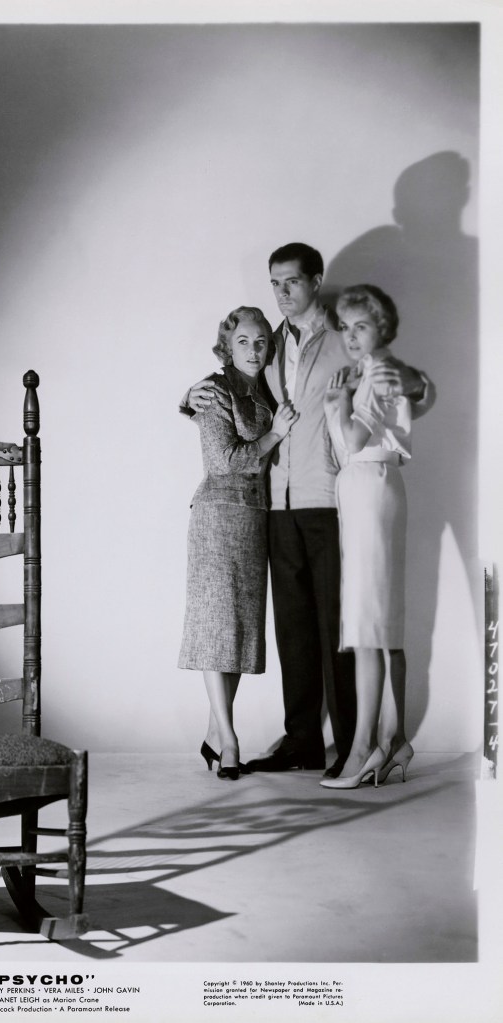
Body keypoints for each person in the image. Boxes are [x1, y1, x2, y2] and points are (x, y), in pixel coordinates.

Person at [181, 243, 433, 777]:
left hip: (330, 497)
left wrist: (416, 386)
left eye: (292, 281)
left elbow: (405, 382)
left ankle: (351, 743)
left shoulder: (345, 337)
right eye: (274, 283)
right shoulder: (269, 344)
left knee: (338, 623)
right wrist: (190, 396)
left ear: (316, 281)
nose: (282, 293)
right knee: (292, 627)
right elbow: (236, 386)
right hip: (276, 500)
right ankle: (302, 742)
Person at [178, 306, 298, 780]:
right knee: (217, 627)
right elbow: (225, 461)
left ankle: (213, 731)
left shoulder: (265, 390)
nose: (253, 350)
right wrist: (273, 435)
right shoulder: (213, 389)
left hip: (256, 521)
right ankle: (228, 739)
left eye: (262, 341)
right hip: (217, 517)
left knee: (241, 632)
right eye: (244, 341)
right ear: (227, 346)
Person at [320, 285, 415, 789]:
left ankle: (363, 751)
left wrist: (336, 401)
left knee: (367, 626)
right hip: (369, 486)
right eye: (345, 326)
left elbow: (355, 440)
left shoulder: (377, 372)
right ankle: (394, 741)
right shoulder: (373, 372)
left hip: (371, 485)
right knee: (380, 623)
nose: (351, 335)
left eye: (361, 325)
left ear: (382, 327)